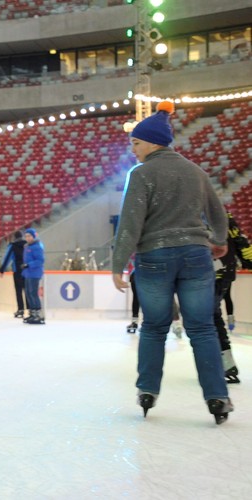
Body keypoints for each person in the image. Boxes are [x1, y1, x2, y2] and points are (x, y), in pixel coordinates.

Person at [111, 101, 232, 424]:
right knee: (203, 329)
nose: (133, 149)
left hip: (154, 258)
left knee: (154, 327)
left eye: (136, 142)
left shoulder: (141, 174)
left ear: (152, 142)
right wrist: (218, 240)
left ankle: (147, 391)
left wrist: (118, 264)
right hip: (195, 255)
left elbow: (131, 223)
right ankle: (218, 397)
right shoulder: (196, 172)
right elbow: (218, 213)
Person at [212, 211, 252, 383]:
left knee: (208, 319)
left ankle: (221, 364)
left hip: (210, 273)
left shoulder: (196, 211)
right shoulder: (224, 214)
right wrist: (248, 260)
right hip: (223, 272)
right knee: (212, 317)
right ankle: (226, 363)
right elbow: (240, 239)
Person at [0, 231, 26, 318]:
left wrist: (2, 269)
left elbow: (7, 257)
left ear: (14, 237)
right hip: (27, 269)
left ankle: (21, 309)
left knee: (18, 291)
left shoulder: (13, 245)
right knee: (28, 290)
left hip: (17, 270)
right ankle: (31, 309)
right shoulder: (27, 244)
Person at [21, 228, 45, 325]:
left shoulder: (37, 247)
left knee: (33, 293)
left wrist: (28, 265)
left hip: (34, 273)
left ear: (34, 236)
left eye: (29, 236)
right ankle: (32, 312)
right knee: (28, 293)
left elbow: (40, 260)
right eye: (26, 236)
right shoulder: (27, 247)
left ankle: (38, 314)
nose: (27, 238)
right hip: (28, 273)